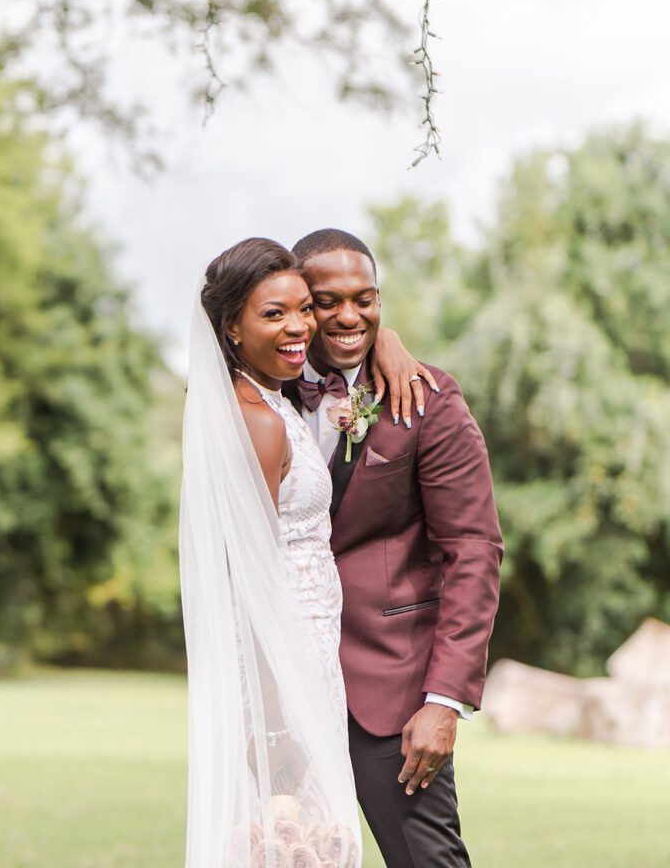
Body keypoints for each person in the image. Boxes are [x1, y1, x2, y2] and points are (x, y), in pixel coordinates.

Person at [179, 237, 433, 868]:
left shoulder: (276, 396)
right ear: (231, 328)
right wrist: (275, 726)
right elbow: (248, 580)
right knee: (300, 848)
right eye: (274, 314)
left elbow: (346, 333)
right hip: (281, 674)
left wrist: (388, 340)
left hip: (310, 662)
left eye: (302, 310)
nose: (298, 328)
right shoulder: (259, 421)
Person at [282, 227, 503, 868]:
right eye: (327, 301)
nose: (351, 316)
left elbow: (474, 550)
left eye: (367, 298)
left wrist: (444, 701)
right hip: (286, 682)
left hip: (388, 689)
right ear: (299, 305)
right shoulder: (264, 394)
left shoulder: (425, 401)